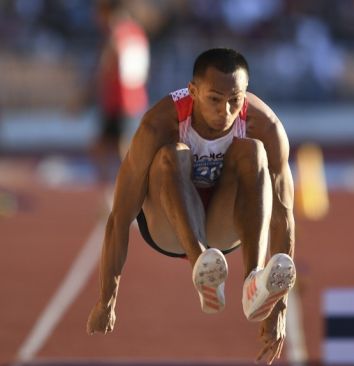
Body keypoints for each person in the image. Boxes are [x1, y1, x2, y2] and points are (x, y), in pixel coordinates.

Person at [86, 48, 297, 365]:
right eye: (214, 99)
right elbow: (120, 216)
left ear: (245, 94)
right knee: (172, 154)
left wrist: (278, 307)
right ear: (193, 91)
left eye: (234, 100)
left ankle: (253, 282)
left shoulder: (264, 126)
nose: (225, 111)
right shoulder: (158, 125)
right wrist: (107, 299)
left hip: (224, 226)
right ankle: (202, 267)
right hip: (168, 228)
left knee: (254, 153)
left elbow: (283, 214)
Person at [93, 0, 150, 183]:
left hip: (119, 100)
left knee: (122, 149)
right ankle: (113, 191)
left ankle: (130, 192)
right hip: (135, 98)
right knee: (105, 146)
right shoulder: (137, 31)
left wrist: (86, 93)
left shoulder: (116, 33)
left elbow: (106, 66)